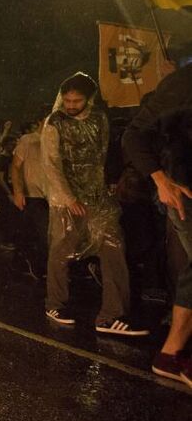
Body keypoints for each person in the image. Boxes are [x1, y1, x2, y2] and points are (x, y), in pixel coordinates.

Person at [41, 72, 147, 335]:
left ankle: (112, 315)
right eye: (67, 100)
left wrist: (106, 188)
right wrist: (69, 198)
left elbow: (102, 155)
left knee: (114, 247)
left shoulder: (100, 119)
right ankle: (55, 303)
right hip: (66, 201)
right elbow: (51, 165)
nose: (70, 106)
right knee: (62, 251)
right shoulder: (55, 122)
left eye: (76, 101)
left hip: (98, 198)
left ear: (89, 99)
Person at [122, 63, 192, 381]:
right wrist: (162, 181)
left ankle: (170, 354)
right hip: (185, 190)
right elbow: (134, 136)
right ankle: (171, 354)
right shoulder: (183, 82)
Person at [11, 118, 48, 279]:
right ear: (40, 122)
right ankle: (37, 265)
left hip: (52, 195)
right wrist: (18, 191)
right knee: (42, 233)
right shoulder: (28, 140)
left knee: (40, 232)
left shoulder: (55, 141)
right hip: (33, 195)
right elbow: (15, 166)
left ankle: (26, 261)